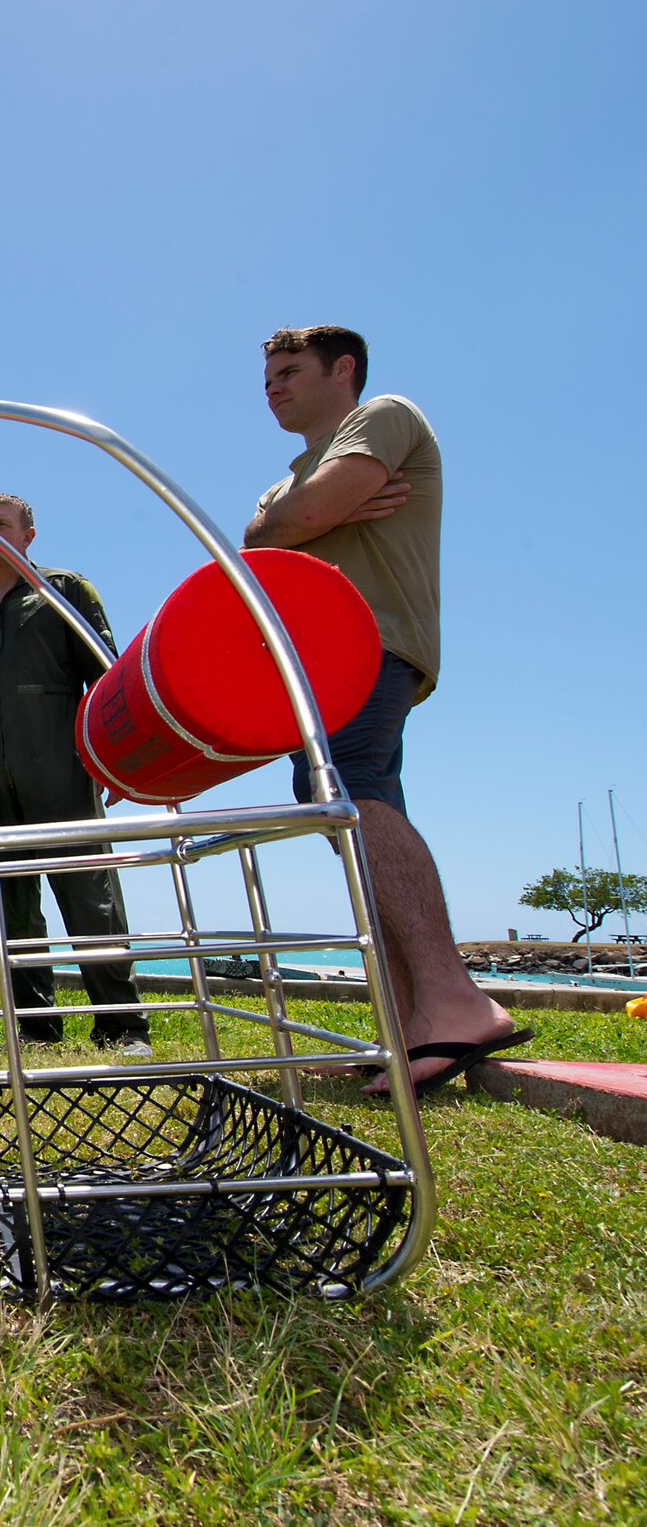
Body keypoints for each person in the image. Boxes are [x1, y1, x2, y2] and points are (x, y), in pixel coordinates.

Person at [245, 324, 528, 1094]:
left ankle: (456, 1000)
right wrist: (304, 514)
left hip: (367, 645)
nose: (272, 385)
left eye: (289, 371)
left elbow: (296, 524)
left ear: (344, 370)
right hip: (314, 665)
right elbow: (257, 546)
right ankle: (412, 1022)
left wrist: (310, 517)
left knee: (355, 792)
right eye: (267, 375)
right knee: (346, 806)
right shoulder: (287, 479)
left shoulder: (385, 417)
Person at [0, 495, 152, 1054]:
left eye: (2, 524)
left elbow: (108, 675)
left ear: (28, 534)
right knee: (3, 903)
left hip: (60, 769)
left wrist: (115, 758)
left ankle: (123, 1029)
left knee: (88, 897)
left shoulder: (66, 591)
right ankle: (37, 1027)